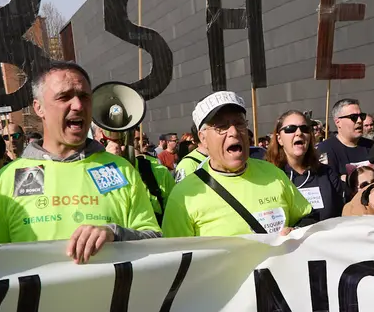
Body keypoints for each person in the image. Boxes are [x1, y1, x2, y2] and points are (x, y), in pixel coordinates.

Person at [0, 62, 160, 263]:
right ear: (39, 108)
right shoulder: (6, 180)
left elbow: (154, 239)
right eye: (64, 97)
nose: (78, 105)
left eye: (84, 96)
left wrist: (114, 234)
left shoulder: (121, 170)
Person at [162, 92, 315, 237]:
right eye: (221, 127)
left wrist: (297, 231)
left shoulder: (274, 175)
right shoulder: (183, 196)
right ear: (203, 138)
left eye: (239, 123)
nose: (234, 132)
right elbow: (174, 257)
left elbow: (308, 217)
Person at [266, 110, 345, 221]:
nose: (299, 133)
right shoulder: (270, 178)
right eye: (290, 129)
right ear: (279, 139)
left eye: (305, 129)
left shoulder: (326, 173)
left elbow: (344, 211)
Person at [93, 125, 175, 225]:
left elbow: (175, 219)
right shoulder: (85, 174)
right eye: (104, 141)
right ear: (94, 138)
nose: (117, 146)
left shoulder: (159, 172)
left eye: (121, 140)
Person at [317, 98, 373, 183]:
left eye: (361, 116)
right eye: (353, 117)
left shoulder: (372, 146)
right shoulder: (325, 150)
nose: (359, 121)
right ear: (338, 122)